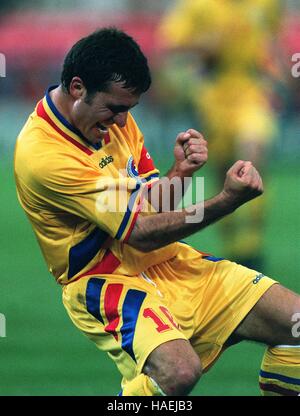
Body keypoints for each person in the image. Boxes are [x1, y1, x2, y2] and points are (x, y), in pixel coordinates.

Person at [14, 28, 300, 396]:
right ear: (77, 88)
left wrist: (180, 172)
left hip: (166, 261)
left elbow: (149, 203)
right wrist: (226, 200)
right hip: (106, 279)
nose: (121, 122)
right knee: (178, 373)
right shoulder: (44, 156)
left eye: (128, 110)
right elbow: (141, 232)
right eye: (116, 109)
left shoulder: (113, 117)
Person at [158, 0, 282, 269]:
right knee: (223, 171)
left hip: (252, 91)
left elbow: (271, 38)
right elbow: (172, 45)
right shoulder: (197, 6)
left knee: (253, 153)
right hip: (213, 96)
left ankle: (251, 244)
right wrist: (204, 46)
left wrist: (276, 73)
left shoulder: (268, 3)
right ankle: (234, 246)